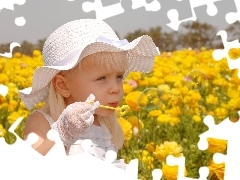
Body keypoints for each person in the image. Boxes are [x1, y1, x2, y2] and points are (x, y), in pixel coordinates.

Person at [19, 19, 158, 164]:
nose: (116, 88)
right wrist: (62, 132)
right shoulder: (43, 121)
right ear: (63, 85)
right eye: (101, 78)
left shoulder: (104, 123)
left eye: (119, 76)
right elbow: (29, 166)